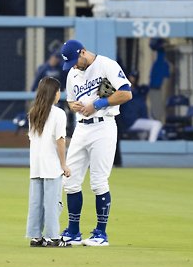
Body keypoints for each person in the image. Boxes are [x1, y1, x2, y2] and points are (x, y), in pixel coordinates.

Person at [58, 39, 132, 246]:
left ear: (83, 52)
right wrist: (74, 106)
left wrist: (98, 104)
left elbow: (126, 93)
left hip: (103, 126)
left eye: (75, 60)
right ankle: (73, 231)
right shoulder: (73, 73)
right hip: (82, 127)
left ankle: (101, 233)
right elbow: (71, 100)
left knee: (98, 182)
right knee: (70, 180)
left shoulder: (106, 65)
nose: (73, 65)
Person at [25, 77, 72, 247]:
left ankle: (35, 236)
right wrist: (63, 164)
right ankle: (53, 237)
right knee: (52, 202)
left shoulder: (33, 112)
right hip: (51, 164)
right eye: (58, 91)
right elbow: (60, 140)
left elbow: (32, 139)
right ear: (54, 93)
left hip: (36, 164)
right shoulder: (58, 113)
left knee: (36, 201)